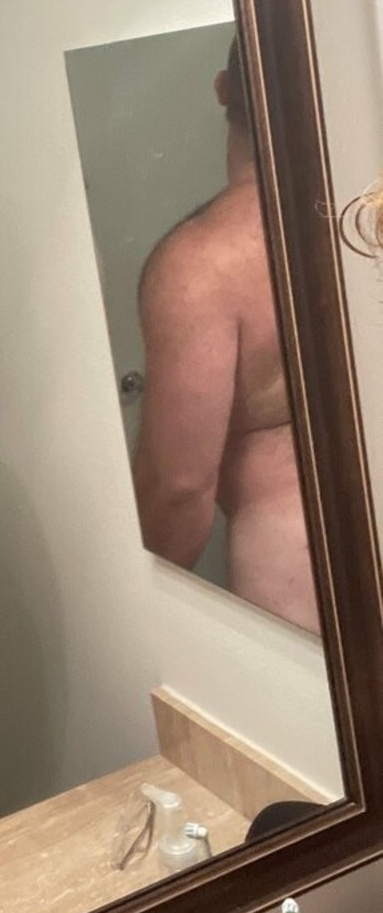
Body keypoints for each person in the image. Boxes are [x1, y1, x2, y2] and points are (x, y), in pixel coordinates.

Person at [131, 41, 317, 632]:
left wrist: (137, 618)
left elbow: (179, 490)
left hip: (304, 583)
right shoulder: (367, 218)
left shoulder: (204, 264)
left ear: (221, 89)